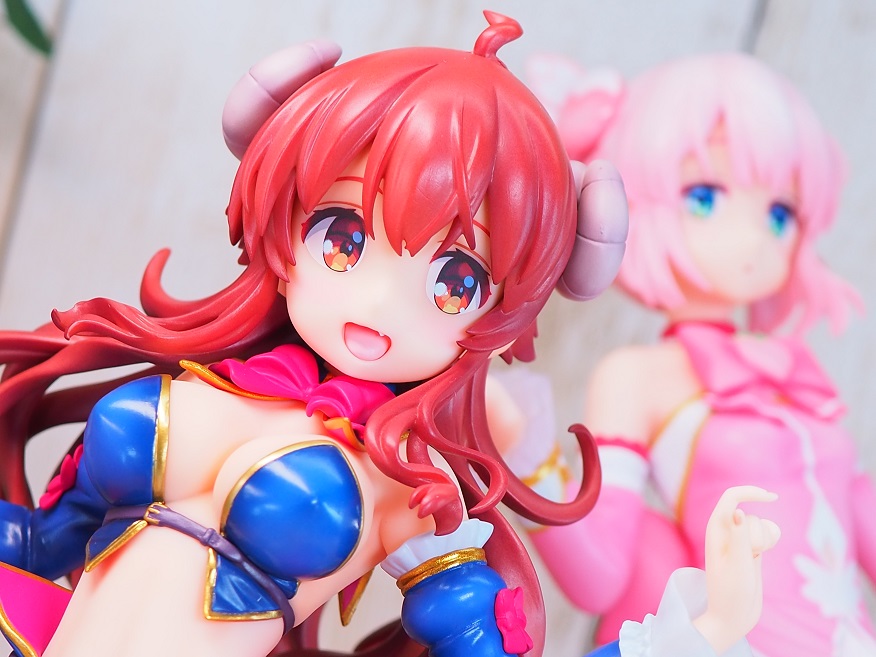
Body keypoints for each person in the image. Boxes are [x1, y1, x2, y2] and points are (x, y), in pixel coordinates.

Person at [0, 16, 775, 657]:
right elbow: (33, 548)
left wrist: (701, 631)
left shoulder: (410, 484)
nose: (376, 301)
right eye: (342, 237)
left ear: (498, 313)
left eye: (455, 281)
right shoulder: (201, 377)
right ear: (286, 215)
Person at [518, 52, 873, 657]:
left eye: (779, 213)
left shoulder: (794, 372)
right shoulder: (639, 377)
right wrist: (527, 462)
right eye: (704, 197)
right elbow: (601, 575)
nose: (752, 240)